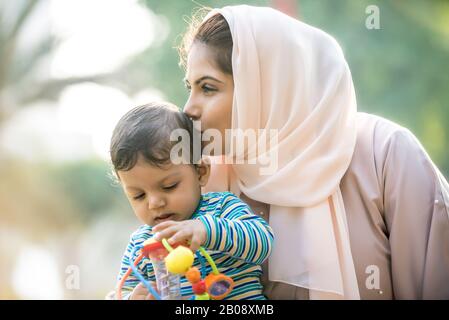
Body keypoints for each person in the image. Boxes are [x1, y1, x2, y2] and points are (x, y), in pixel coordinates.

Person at [179, 5, 449, 299]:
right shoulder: (209, 182)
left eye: (207, 88)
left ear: (266, 85)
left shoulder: (385, 154)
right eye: (190, 87)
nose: (188, 109)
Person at [110, 102, 274, 300]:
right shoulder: (141, 244)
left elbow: (263, 243)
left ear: (200, 171)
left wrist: (207, 230)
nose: (154, 203)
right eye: (138, 195)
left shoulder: (221, 208)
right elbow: (119, 292)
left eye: (169, 186)